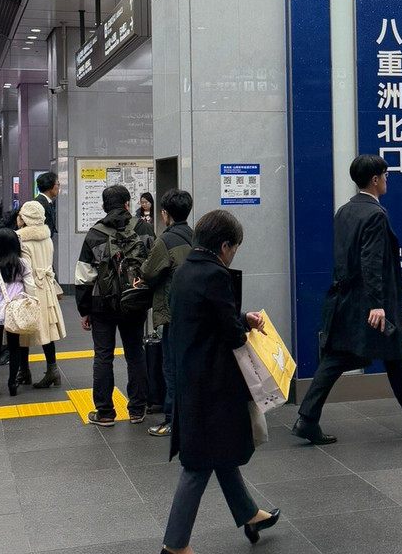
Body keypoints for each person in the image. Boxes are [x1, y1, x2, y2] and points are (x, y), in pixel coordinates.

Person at [293, 155, 402, 445]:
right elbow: (372, 261)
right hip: (370, 302)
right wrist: (377, 304)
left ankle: (309, 419)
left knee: (379, 356)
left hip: (345, 299)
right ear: (375, 179)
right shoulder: (375, 215)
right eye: (385, 175)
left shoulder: (344, 211)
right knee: (382, 355)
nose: (387, 179)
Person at [161, 209, 280, 554]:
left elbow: (205, 315)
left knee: (219, 450)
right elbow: (230, 333)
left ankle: (249, 514)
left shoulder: (184, 271)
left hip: (190, 376)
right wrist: (243, 326)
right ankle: (174, 545)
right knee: (198, 463)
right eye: (235, 248)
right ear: (225, 245)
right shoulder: (216, 274)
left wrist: (242, 317)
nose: (233, 255)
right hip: (213, 382)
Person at [75, 184, 154, 426]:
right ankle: (137, 409)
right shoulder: (143, 228)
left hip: (102, 304)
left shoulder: (94, 233)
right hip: (134, 301)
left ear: (103, 206)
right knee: (135, 353)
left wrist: (84, 310)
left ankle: (105, 412)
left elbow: (84, 276)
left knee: (103, 356)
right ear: (128, 204)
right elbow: (153, 265)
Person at [142, 188, 195, 438]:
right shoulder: (195, 237)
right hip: (194, 313)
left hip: (173, 314)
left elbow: (148, 272)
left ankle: (172, 420)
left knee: (171, 368)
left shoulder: (165, 240)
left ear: (165, 214)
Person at [16, 200, 67, 389]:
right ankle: (52, 369)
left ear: (25, 218)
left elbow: (25, 270)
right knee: (48, 330)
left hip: (29, 288)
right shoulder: (47, 238)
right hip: (46, 287)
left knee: (22, 328)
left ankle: (24, 370)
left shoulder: (21, 240)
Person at [0, 229, 34, 396]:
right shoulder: (22, 264)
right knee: (14, 345)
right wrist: (30, 304)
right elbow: (30, 286)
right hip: (15, 309)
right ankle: (12, 382)